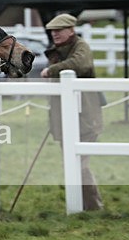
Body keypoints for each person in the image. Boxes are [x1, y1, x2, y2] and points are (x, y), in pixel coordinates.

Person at [41, 13, 104, 211]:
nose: (55, 34)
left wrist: (53, 70)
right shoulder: (56, 51)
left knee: (81, 165)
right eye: (52, 31)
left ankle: (93, 206)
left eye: (59, 30)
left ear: (71, 30)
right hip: (62, 117)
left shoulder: (81, 47)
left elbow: (80, 64)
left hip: (85, 117)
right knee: (72, 165)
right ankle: (83, 206)